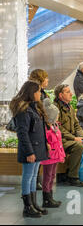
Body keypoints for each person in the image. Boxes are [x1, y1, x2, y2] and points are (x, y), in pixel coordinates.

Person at [10, 81, 49, 218]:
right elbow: (22, 133)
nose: (40, 94)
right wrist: (29, 152)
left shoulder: (34, 108)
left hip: (37, 147)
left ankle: (33, 203)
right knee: (27, 177)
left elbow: (38, 130)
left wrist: (44, 145)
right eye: (38, 91)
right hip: (30, 149)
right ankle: (27, 207)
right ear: (31, 93)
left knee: (33, 177)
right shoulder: (23, 110)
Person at [54, 84, 83, 187]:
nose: (71, 94)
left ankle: (82, 174)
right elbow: (57, 128)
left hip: (70, 137)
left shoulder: (70, 107)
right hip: (59, 139)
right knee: (77, 146)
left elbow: (76, 124)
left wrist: (82, 136)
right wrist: (74, 138)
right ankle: (73, 177)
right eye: (68, 92)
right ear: (60, 95)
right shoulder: (55, 108)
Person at [40, 98, 65, 208]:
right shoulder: (45, 129)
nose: (58, 117)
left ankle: (50, 196)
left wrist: (61, 155)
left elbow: (59, 143)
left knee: (52, 175)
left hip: (55, 156)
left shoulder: (55, 127)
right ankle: (46, 198)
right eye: (56, 115)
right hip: (49, 157)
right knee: (47, 176)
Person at [28, 69, 50, 191]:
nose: (47, 80)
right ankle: (35, 183)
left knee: (39, 157)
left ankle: (37, 182)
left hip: (41, 127)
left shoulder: (43, 93)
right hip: (35, 128)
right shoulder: (34, 93)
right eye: (46, 78)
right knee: (34, 161)